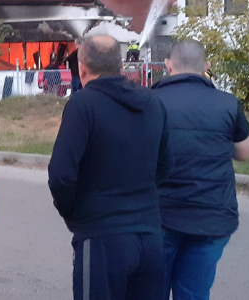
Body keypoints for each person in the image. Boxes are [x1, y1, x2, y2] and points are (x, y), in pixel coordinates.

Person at [48, 34, 171, 300]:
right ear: (121, 65)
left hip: (102, 238)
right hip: (150, 236)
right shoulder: (153, 103)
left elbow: (60, 175)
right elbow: (164, 166)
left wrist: (73, 213)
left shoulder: (83, 105)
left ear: (81, 68)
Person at [150, 39, 249, 300]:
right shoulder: (227, 103)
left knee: (151, 291)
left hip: (159, 217)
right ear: (206, 66)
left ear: (167, 66)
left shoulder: (149, 101)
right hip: (212, 216)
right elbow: (245, 151)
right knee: (194, 293)